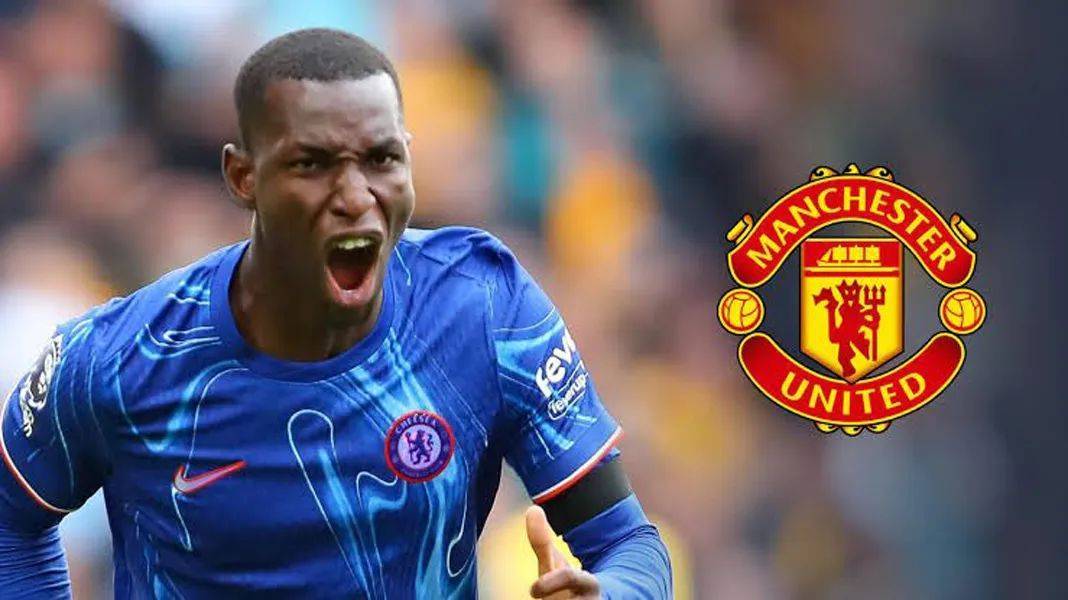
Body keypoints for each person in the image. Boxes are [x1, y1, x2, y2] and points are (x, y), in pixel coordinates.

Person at [0, 28, 671, 598]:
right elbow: (11, 520)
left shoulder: (483, 309)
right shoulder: (123, 358)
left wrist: (612, 594)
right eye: (312, 164)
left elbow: (629, 544)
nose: (355, 196)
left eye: (382, 159)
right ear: (243, 177)